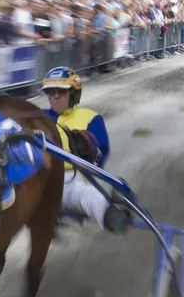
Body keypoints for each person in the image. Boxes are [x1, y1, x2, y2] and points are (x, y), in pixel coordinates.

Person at [42, 66, 131, 233]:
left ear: (73, 94)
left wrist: (79, 147)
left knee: (87, 195)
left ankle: (112, 216)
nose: (55, 96)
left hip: (69, 180)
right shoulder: (38, 116)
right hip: (34, 178)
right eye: (50, 92)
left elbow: (98, 157)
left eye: (61, 92)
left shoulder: (91, 119)